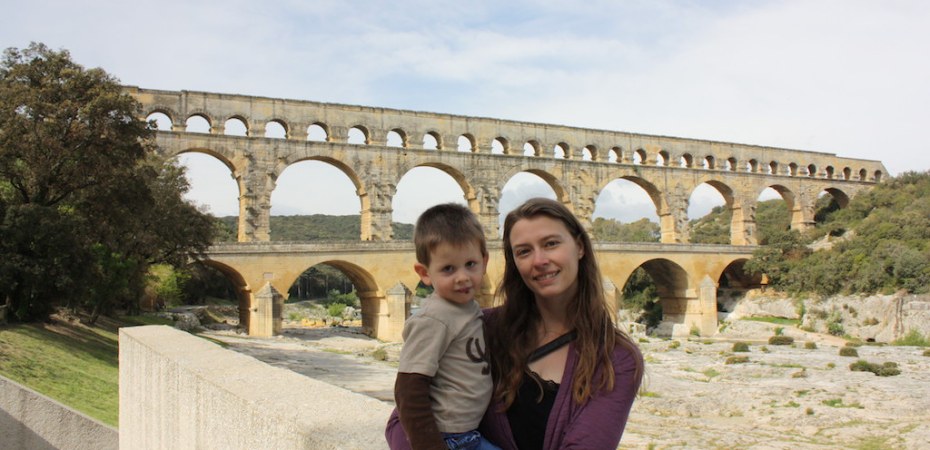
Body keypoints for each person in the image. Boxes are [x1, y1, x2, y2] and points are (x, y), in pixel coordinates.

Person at [479, 197, 644, 450]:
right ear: (514, 263)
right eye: (524, 251)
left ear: (579, 247)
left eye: (551, 243)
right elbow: (405, 419)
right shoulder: (481, 329)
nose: (539, 260)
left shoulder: (615, 358)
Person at [387, 203, 500, 450]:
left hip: (470, 433)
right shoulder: (434, 319)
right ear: (424, 273)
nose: (462, 277)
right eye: (448, 269)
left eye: (470, 264)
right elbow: (409, 389)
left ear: (484, 261)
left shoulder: (465, 308)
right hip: (448, 439)